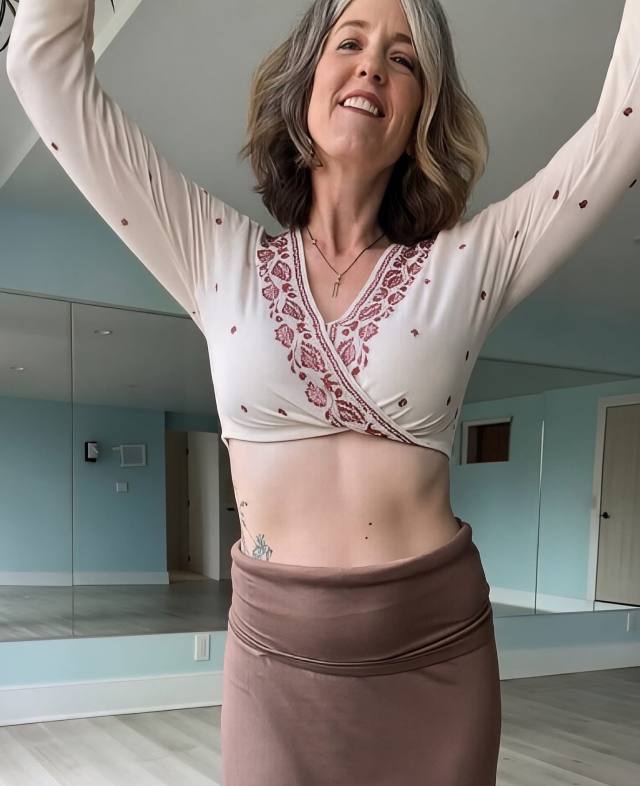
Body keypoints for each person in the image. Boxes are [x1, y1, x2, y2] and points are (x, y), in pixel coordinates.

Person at [6, 0, 639, 782]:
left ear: (421, 112)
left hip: (437, 658)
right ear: (306, 77)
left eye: (403, 58)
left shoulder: (470, 262)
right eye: (351, 41)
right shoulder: (215, 255)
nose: (373, 64)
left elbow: (624, 123)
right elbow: (43, 68)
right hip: (273, 666)